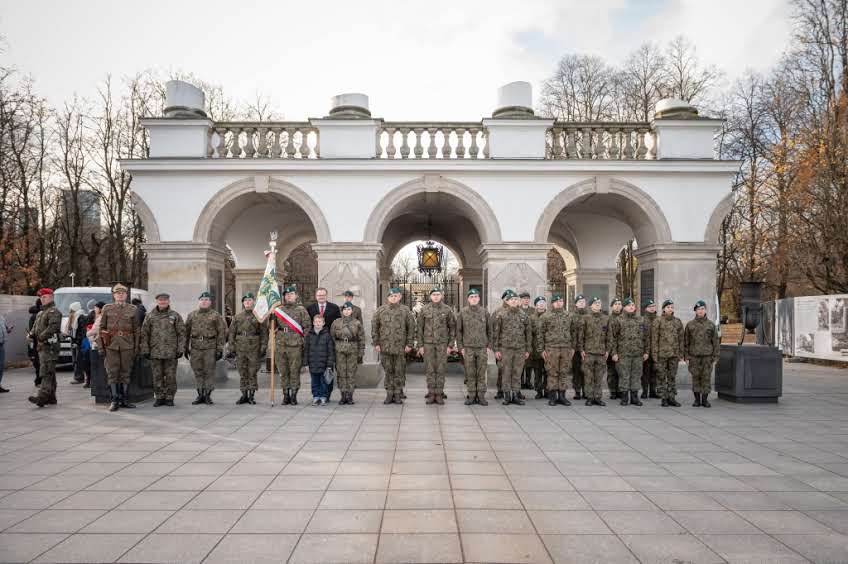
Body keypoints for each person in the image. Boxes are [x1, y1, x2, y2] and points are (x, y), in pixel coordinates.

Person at [141, 292, 186, 407]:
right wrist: (145, 349)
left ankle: (170, 397)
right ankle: (159, 397)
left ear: (168, 301)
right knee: (157, 376)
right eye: (160, 300)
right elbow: (144, 334)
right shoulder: (150, 316)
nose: (163, 302)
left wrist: (181, 348)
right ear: (157, 301)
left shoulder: (175, 315)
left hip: (171, 352)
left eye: (165, 300)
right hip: (155, 351)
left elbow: (181, 333)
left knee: (170, 376)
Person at [372, 287, 415, 405]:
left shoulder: (405, 310)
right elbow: (375, 327)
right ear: (388, 298)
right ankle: (389, 394)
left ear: (400, 297)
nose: (393, 298)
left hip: (400, 347)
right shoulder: (381, 310)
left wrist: (409, 344)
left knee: (398, 371)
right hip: (385, 347)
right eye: (391, 296)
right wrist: (376, 343)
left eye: (395, 296)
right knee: (388, 371)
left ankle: (397, 394)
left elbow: (411, 328)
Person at [100, 284, 139, 412]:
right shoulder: (107, 308)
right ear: (114, 295)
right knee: (112, 372)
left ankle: (124, 399)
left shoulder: (133, 309)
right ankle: (114, 400)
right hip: (111, 345)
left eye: (123, 293)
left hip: (127, 344)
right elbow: (102, 328)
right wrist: (101, 347)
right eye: (118, 293)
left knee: (126, 371)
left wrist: (137, 347)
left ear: (126, 295)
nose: (120, 295)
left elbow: (137, 330)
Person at [185, 291, 227, 406]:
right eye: (202, 300)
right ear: (199, 302)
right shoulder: (192, 315)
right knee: (198, 371)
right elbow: (186, 332)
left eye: (206, 300)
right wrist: (185, 348)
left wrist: (219, 349)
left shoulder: (216, 315)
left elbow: (222, 333)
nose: (204, 302)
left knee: (209, 372)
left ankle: (207, 395)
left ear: (210, 302)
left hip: (210, 348)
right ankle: (200, 395)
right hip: (196, 348)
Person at [492, 289, 531, 406]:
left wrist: (528, 350)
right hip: (506, 349)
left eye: (515, 299)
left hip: (520, 349)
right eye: (511, 299)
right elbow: (496, 333)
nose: (514, 301)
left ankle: (516, 395)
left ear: (518, 301)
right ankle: (507, 396)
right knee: (506, 372)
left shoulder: (523, 315)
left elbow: (528, 333)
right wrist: (496, 349)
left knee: (517, 372)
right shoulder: (501, 315)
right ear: (507, 301)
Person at [417, 287, 456, 405]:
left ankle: (439, 394)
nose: (436, 296)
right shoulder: (424, 309)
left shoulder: (447, 309)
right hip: (428, 344)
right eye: (434, 294)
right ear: (430, 296)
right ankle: (431, 393)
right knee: (429, 369)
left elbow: (452, 328)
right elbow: (419, 329)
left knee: (440, 369)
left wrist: (450, 345)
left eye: (438, 294)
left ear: (441, 296)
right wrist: (420, 346)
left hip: (442, 345)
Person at [228, 292, 267, 406]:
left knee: (252, 371)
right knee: (242, 371)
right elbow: (231, 333)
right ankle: (244, 394)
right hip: (240, 347)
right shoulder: (237, 317)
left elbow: (264, 333)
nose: (248, 302)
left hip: (254, 347)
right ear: (243, 303)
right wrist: (231, 346)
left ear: (253, 302)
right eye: (245, 301)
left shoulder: (259, 316)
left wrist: (263, 346)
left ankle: (251, 395)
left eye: (250, 300)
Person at [275, 285, 311, 406]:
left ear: (296, 296)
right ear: (284, 297)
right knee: (283, 371)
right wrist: (270, 317)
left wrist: (302, 339)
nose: (289, 296)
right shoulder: (278, 310)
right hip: (281, 344)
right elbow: (271, 327)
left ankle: (294, 395)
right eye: (287, 294)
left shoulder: (301, 310)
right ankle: (286, 395)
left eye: (291, 294)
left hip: (295, 345)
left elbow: (307, 326)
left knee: (294, 371)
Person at [537, 293, 575, 407]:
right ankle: (553, 396)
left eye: (561, 301)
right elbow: (540, 334)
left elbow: (574, 332)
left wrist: (573, 347)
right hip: (551, 348)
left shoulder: (569, 316)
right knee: (552, 372)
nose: (559, 303)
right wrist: (541, 349)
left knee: (564, 372)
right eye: (556, 301)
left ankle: (562, 396)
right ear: (552, 303)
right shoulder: (545, 316)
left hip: (565, 348)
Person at [27, 288, 62, 407]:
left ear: (51, 297)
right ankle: (51, 398)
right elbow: (35, 327)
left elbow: (52, 328)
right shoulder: (41, 313)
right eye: (41, 297)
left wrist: (40, 337)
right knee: (49, 371)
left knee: (46, 371)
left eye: (45, 297)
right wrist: (31, 334)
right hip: (42, 346)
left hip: (50, 346)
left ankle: (42, 397)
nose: (42, 299)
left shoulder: (54, 312)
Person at [456, 288, 491, 406]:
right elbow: (459, 331)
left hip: (481, 347)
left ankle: (481, 396)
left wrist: (488, 345)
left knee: (481, 373)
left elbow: (490, 330)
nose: (474, 299)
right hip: (468, 348)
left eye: (476, 297)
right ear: (468, 299)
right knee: (470, 373)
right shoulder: (462, 312)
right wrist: (461, 347)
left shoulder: (485, 312)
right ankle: (471, 395)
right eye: (471, 297)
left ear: (479, 298)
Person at [610, 298, 646, 407]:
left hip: (637, 353)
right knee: (624, 375)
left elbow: (646, 337)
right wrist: (614, 353)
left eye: (633, 305)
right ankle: (624, 397)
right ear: (624, 307)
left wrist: (646, 351)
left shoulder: (641, 320)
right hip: (623, 353)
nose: (631, 307)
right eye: (629, 305)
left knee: (636, 375)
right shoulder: (618, 320)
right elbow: (613, 338)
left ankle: (634, 397)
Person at [684, 300, 720, 408]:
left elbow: (715, 342)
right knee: (695, 377)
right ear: (695, 311)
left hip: (707, 357)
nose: (701, 311)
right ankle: (697, 400)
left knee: (706, 378)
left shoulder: (711, 325)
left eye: (703, 309)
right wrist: (686, 356)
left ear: (705, 310)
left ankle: (705, 400)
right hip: (694, 356)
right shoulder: (690, 325)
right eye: (699, 309)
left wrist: (716, 356)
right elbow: (686, 342)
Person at [330, 301, 365, 405]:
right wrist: (333, 349)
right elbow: (332, 337)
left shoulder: (357, 323)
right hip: (339, 350)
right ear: (342, 311)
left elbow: (361, 338)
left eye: (348, 309)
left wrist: (361, 352)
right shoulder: (336, 322)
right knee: (341, 373)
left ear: (352, 311)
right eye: (344, 309)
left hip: (352, 350)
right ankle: (343, 395)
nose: (346, 311)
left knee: (351, 373)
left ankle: (350, 396)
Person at [652, 299, 684, 407]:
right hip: (662, 355)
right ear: (663, 309)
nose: (670, 309)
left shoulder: (677, 321)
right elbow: (654, 339)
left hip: (674, 355)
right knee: (661, 377)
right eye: (668, 307)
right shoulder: (658, 321)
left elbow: (681, 339)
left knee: (672, 377)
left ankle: (671, 397)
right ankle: (664, 398)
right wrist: (655, 355)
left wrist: (681, 353)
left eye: (672, 307)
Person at [580, 296, 609, 406]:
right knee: (589, 376)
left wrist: (608, 350)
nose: (597, 304)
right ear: (590, 306)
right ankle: (589, 397)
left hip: (601, 352)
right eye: (595, 303)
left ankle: (598, 397)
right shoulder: (585, 318)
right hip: (589, 352)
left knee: (599, 376)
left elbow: (609, 336)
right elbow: (581, 335)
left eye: (599, 303)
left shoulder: (606, 319)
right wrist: (581, 349)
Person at [304, 315, 334, 405]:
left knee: (323, 382)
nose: (318, 323)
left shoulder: (327, 335)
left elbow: (330, 351)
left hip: (324, 364)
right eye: (316, 322)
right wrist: (305, 363)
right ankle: (316, 397)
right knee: (314, 382)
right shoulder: (309, 335)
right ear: (313, 323)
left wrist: (329, 364)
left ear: (323, 323)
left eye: (320, 322)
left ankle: (323, 397)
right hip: (313, 363)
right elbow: (306, 350)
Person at [493, 290, 510, 400]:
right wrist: (495, 348)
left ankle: (513, 391)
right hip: (501, 347)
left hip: (513, 346)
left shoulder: (517, 311)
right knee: (501, 369)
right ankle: (500, 390)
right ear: (503, 299)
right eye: (506, 298)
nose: (509, 300)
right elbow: (493, 330)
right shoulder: (498, 311)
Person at [529, 296, 547, 399]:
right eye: (539, 303)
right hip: (536, 349)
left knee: (548, 371)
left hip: (548, 349)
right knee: (537, 371)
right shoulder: (531, 318)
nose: (541, 305)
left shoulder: (549, 316)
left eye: (543, 303)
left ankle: (547, 390)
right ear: (535, 305)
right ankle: (539, 391)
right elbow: (529, 334)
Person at [641, 299, 660, 399]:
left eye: (653, 306)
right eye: (650, 306)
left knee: (655, 372)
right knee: (645, 372)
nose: (652, 308)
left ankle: (653, 391)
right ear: (645, 308)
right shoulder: (642, 320)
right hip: (645, 351)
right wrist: (644, 351)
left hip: (657, 350)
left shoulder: (659, 320)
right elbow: (641, 337)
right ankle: (644, 391)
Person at [571, 294, 588, 400]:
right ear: (576, 304)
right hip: (575, 348)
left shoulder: (589, 315)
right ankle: (577, 391)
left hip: (587, 347)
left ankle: (586, 391)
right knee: (576, 370)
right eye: (580, 302)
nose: (582, 303)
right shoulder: (571, 316)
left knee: (586, 370)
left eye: (583, 302)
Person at [86, 301, 105, 391]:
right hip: (97, 343)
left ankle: (99, 386)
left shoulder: (100, 318)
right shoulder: (100, 317)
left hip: (97, 344)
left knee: (97, 367)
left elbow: (95, 330)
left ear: (100, 309)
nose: (94, 309)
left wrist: (87, 333)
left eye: (96, 307)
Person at [607, 297, 623, 400]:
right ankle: (613, 391)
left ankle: (620, 390)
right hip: (611, 350)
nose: (617, 306)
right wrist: (612, 352)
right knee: (612, 371)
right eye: (615, 304)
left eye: (619, 304)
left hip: (622, 350)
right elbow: (609, 337)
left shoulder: (624, 318)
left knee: (621, 371)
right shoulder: (608, 319)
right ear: (612, 306)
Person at [65, 301, 85, 384]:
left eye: (71, 310)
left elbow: (81, 332)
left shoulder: (80, 318)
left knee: (78, 361)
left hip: (78, 343)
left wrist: (77, 342)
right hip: (74, 342)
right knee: (75, 360)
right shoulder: (75, 317)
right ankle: (78, 377)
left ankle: (79, 378)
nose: (70, 312)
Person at [27, 299, 42, 386]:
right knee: (39, 362)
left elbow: (31, 330)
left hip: (36, 342)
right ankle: (38, 380)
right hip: (39, 341)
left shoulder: (34, 315)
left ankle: (38, 380)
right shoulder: (38, 315)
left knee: (38, 361)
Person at [0, 311, 12, 393]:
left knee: (1, 366)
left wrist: (8, 330)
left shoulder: (1, 317)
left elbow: (4, 328)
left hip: (1, 344)